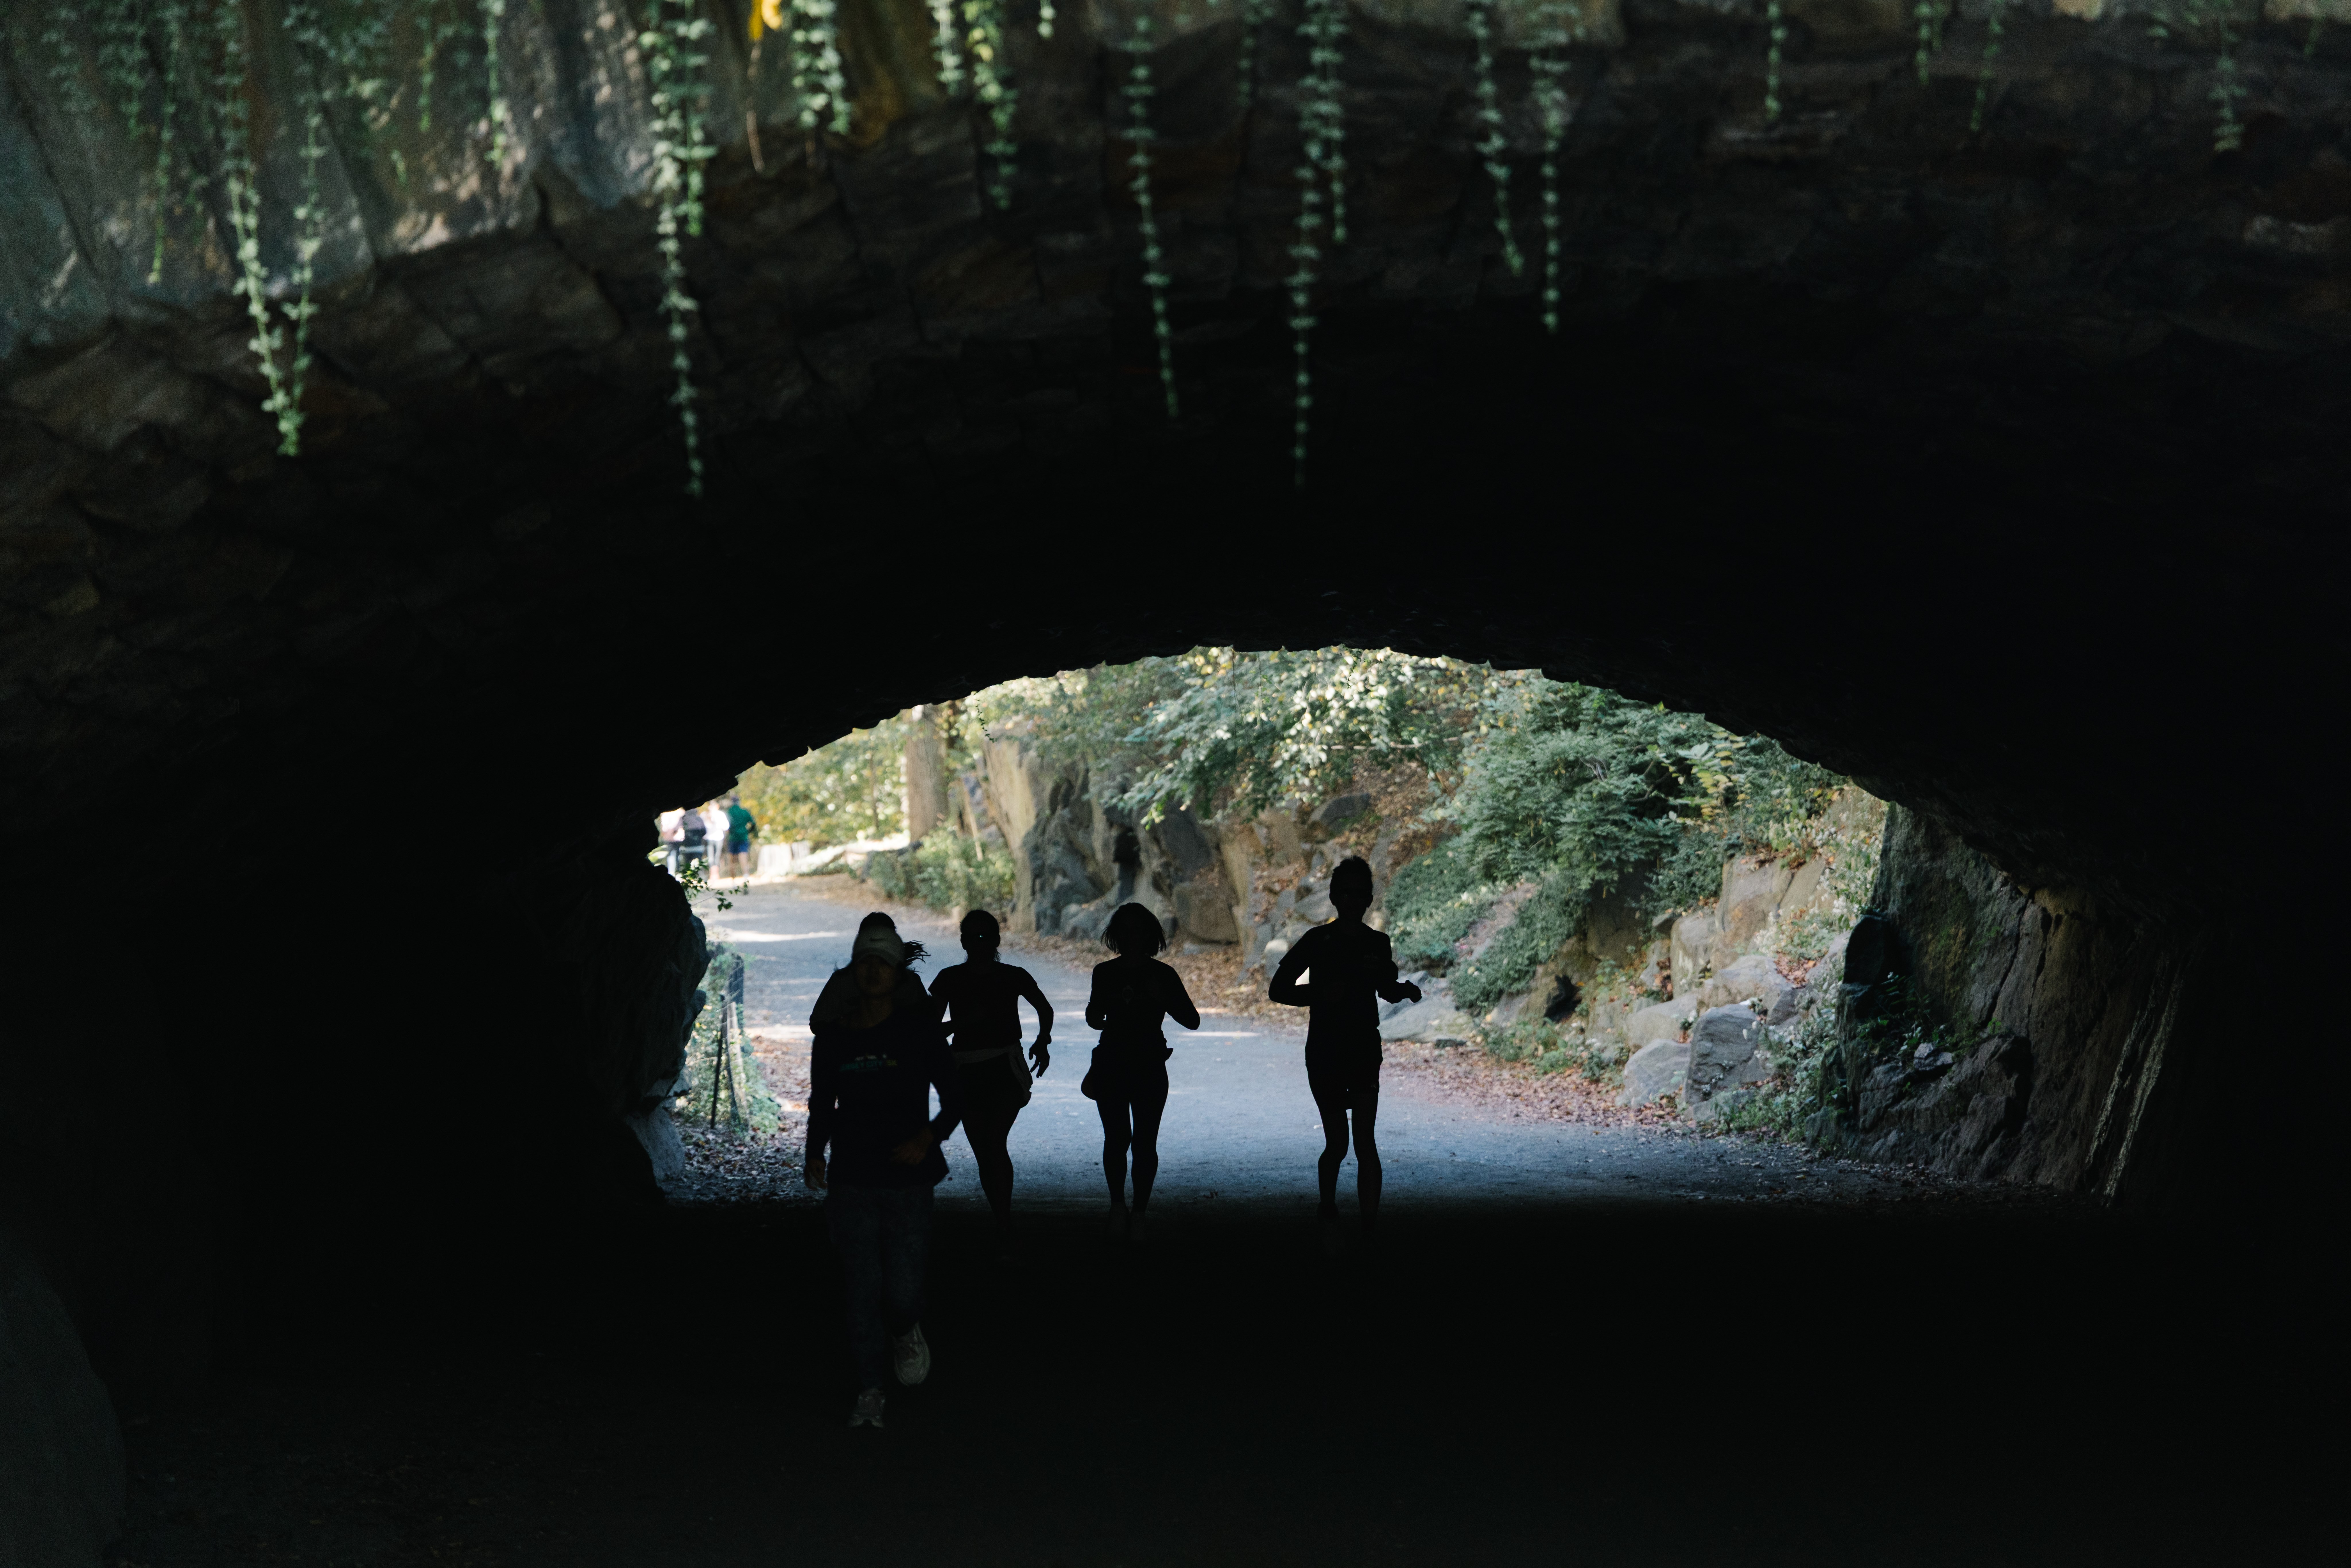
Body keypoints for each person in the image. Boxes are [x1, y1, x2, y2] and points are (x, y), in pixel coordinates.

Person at [804, 923, 963, 1430]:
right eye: (864, 961)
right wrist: (814, 1153)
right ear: (854, 970)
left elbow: (956, 1096)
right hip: (853, 1176)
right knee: (861, 1286)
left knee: (902, 1291)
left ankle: (905, 1327)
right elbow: (821, 1102)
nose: (873, 970)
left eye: (883, 962)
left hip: (907, 1179)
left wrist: (928, 1136)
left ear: (897, 973)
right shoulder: (834, 1038)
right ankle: (870, 1388)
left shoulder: (919, 1032)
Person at [1268, 856, 1421, 1247]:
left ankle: (1369, 1227)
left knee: (1365, 1140)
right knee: (1338, 1143)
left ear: (1369, 898)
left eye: (1360, 892)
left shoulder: (1377, 943)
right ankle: (1328, 1206)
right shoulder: (1318, 941)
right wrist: (1319, 993)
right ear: (1334, 897)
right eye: (1346, 892)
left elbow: (1386, 987)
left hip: (1364, 1050)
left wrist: (1405, 990)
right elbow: (1278, 989)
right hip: (1325, 1053)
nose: (1353, 899)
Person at [927, 909, 1054, 1255]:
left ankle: (1003, 1222)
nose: (980, 943)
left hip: (1003, 1068)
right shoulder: (948, 978)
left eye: (986, 936)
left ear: (997, 941)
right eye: (974, 937)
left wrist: (1043, 1039)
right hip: (966, 1071)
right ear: (963, 942)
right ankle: (1002, 1218)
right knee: (985, 1150)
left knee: (994, 1142)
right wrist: (961, 1023)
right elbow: (927, 1028)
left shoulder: (1013, 976)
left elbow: (1045, 1009)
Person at [1082, 903, 1199, 1241]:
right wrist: (1095, 1016)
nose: (1132, 936)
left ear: (1150, 935)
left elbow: (1192, 1020)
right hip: (1117, 1063)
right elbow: (1095, 1013)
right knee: (1118, 1139)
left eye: (1138, 929)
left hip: (1145, 1064)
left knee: (1144, 1142)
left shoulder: (1163, 975)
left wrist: (1164, 998)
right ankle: (1120, 1207)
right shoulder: (1103, 973)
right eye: (1127, 929)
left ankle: (1137, 1213)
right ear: (1116, 936)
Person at [810, 913, 934, 1028]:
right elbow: (929, 1026)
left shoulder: (841, 980)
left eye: (884, 964)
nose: (874, 971)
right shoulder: (911, 981)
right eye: (866, 963)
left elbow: (819, 1023)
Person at [722, 795, 758, 879]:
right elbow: (753, 823)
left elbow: (726, 826)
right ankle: (746, 878)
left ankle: (734, 882)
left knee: (733, 861)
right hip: (744, 837)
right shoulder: (745, 812)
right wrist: (748, 832)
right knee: (744, 859)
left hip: (732, 838)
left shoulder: (729, 812)